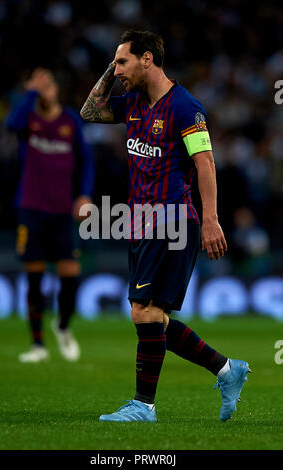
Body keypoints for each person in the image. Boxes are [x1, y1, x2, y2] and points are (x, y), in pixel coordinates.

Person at [80, 30, 251, 422]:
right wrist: (112, 69)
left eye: (122, 62)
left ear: (147, 59)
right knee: (150, 316)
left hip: (172, 219)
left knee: (144, 312)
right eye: (115, 63)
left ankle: (144, 406)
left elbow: (205, 163)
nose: (117, 70)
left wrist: (210, 219)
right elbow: (90, 111)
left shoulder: (185, 107)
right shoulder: (135, 103)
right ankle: (227, 369)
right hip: (139, 220)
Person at [7, 68, 94, 363]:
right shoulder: (28, 120)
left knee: (70, 273)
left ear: (56, 87)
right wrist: (30, 92)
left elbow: (87, 162)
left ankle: (63, 325)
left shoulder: (70, 120)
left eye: (47, 82)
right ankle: (37, 345)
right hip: (30, 207)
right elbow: (10, 124)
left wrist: (84, 195)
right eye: (37, 83)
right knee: (34, 275)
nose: (44, 88)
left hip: (61, 211)